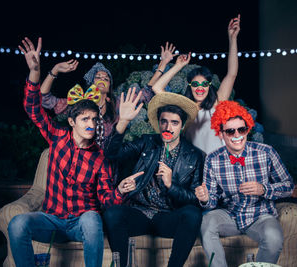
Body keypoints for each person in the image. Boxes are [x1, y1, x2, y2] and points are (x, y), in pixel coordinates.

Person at [8, 37, 143, 267]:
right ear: (71, 121)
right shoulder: (58, 138)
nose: (91, 123)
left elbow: (106, 200)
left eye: (93, 118)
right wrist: (35, 72)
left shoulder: (99, 157)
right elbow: (33, 108)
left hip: (82, 223)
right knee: (17, 224)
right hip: (52, 220)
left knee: (92, 218)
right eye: (84, 119)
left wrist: (119, 190)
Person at [102, 89, 205, 267]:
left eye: (174, 123)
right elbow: (112, 154)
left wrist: (171, 185)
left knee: (193, 214)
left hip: (169, 216)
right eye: (164, 121)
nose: (168, 127)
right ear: (158, 123)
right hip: (140, 212)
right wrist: (123, 121)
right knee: (112, 213)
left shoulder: (194, 156)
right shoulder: (147, 142)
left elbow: (194, 200)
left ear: (182, 126)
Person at [195, 100, 294, 266]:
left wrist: (263, 189)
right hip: (229, 215)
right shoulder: (213, 159)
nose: (237, 135)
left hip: (261, 215)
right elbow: (211, 202)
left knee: (274, 238)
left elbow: (288, 186)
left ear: (248, 129)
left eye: (241, 129)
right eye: (230, 131)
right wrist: (205, 198)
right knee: (206, 222)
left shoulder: (266, 152)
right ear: (220, 134)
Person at [40, 42, 179, 149]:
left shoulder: (117, 104)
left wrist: (163, 63)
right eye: (98, 77)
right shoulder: (79, 103)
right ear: (90, 84)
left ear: (109, 88)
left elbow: (146, 92)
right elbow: (45, 99)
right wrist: (55, 70)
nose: (102, 79)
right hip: (81, 164)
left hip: (107, 165)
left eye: (106, 79)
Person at [151, 15, 241, 155]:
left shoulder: (217, 103)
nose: (200, 88)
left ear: (209, 86)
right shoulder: (182, 107)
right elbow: (156, 88)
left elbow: (232, 73)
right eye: (195, 84)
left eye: (204, 84)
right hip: (192, 166)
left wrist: (232, 38)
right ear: (189, 85)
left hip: (217, 163)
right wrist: (178, 65)